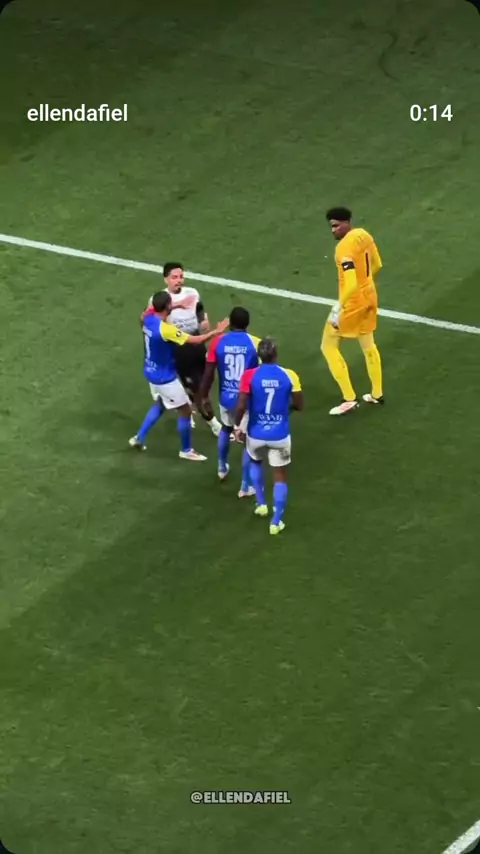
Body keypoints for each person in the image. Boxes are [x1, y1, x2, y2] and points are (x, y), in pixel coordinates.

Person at [129, 291, 228, 459]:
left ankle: (139, 438)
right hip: (165, 378)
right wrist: (216, 332)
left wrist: (177, 304)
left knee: (161, 404)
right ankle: (186, 450)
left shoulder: (146, 318)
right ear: (167, 306)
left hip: (151, 371)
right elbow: (196, 340)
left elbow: (148, 311)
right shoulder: (166, 330)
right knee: (185, 411)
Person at [144, 262, 223, 435]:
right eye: (174, 277)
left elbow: (199, 309)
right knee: (197, 389)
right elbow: (148, 320)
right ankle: (214, 424)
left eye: (181, 277)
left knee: (205, 381)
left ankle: (188, 402)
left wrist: (203, 320)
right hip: (179, 347)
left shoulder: (192, 293)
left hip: (197, 344)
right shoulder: (159, 300)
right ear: (166, 279)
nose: (179, 280)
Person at [234, 338, 303, 535]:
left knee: (255, 463)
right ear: (276, 354)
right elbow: (299, 404)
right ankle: (276, 521)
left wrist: (237, 426)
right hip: (279, 434)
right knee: (279, 475)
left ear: (259, 356)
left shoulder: (249, 375)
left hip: (256, 433)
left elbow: (241, 405)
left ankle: (261, 504)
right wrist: (285, 410)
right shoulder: (289, 375)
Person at [321, 207, 383, 415]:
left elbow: (350, 284)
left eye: (336, 225)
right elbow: (377, 264)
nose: (333, 230)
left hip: (353, 302)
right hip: (370, 295)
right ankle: (377, 394)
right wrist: (366, 283)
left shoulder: (343, 249)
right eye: (331, 226)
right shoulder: (364, 235)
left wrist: (338, 307)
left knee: (328, 345)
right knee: (368, 344)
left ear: (347, 222)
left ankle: (348, 398)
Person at [200, 307, 260, 497]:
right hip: (246, 401)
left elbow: (208, 373)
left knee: (226, 429)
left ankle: (221, 467)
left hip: (225, 397)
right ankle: (245, 485)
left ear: (231, 323)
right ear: (247, 324)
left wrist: (203, 396)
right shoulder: (255, 343)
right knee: (247, 441)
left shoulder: (218, 342)